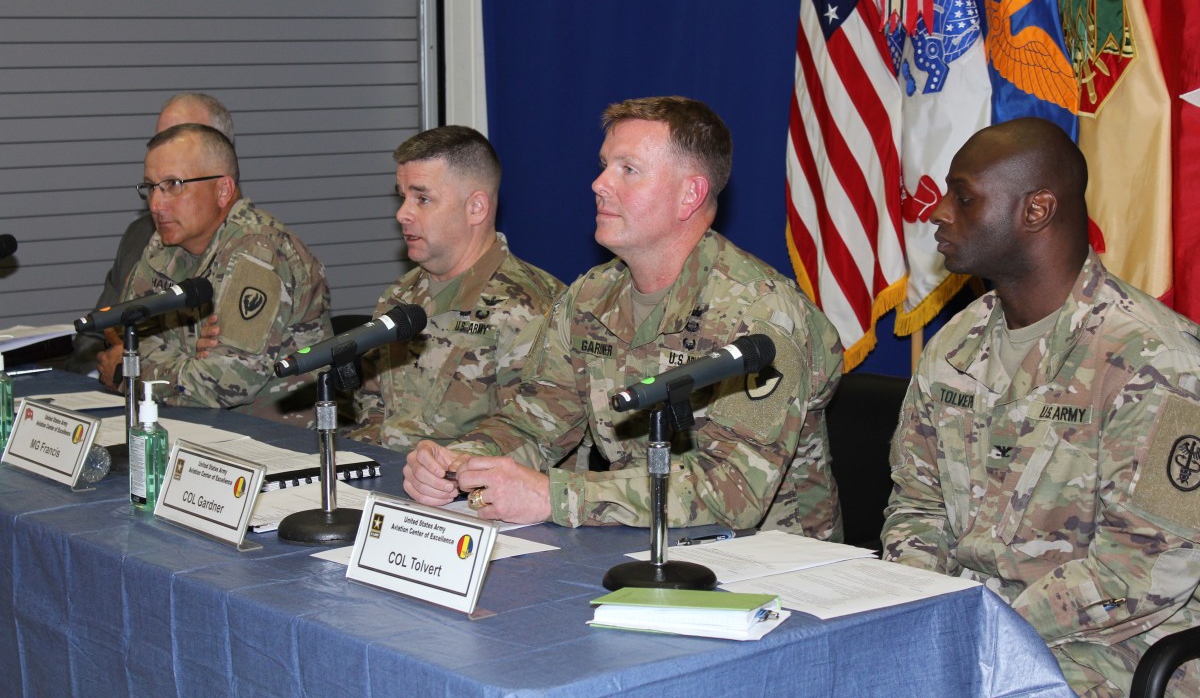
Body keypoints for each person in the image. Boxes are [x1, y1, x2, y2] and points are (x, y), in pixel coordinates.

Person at [404, 96, 844, 536]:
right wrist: (460, 460)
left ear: (689, 195)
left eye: (628, 169)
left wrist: (552, 496)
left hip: (764, 561)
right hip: (631, 541)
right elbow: (533, 423)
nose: (599, 183)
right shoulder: (590, 297)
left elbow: (733, 491)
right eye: (604, 165)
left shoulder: (762, 312)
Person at [881, 117, 1200, 696]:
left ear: (1036, 210)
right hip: (963, 628)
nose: (939, 211)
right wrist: (921, 611)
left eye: (964, 197)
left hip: (1109, 651)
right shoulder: (956, 344)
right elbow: (917, 505)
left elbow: (1141, 572)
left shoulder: (1157, 361)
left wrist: (976, 626)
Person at [96, 123, 333, 427]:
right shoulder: (165, 245)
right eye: (151, 187)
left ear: (222, 190)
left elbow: (225, 383)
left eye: (173, 184)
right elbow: (125, 336)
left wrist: (129, 375)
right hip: (191, 427)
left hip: (272, 439)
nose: (155, 204)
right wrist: (191, 360)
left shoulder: (259, 251)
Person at [349, 125, 564, 452]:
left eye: (422, 198)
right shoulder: (401, 294)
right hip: (391, 474)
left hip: (467, 480)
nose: (402, 214)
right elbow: (372, 400)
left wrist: (443, 470)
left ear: (476, 207)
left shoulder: (532, 306)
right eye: (403, 197)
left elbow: (536, 438)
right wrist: (365, 460)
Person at [66, 93, 236, 375]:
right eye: (160, 139)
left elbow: (221, 371)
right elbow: (94, 334)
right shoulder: (141, 235)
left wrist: (133, 367)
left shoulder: (251, 247)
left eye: (182, 138)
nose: (165, 150)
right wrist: (108, 370)